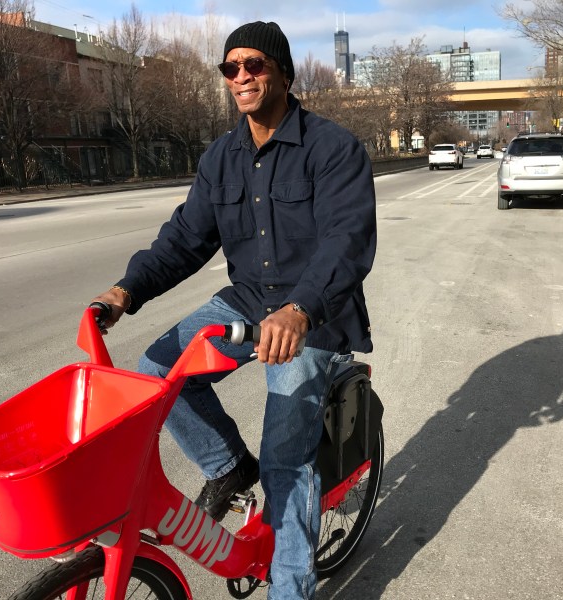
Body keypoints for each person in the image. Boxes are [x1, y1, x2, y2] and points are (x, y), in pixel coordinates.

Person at [91, 21, 377, 600]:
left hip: (311, 318)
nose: (241, 76)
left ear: (282, 72)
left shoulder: (333, 147)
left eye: (255, 65)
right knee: (154, 374)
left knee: (286, 462)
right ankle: (226, 466)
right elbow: (185, 239)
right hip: (247, 301)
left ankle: (290, 590)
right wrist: (126, 290)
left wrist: (300, 310)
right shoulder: (222, 157)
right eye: (230, 68)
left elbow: (346, 241)